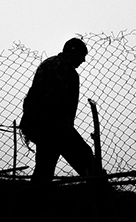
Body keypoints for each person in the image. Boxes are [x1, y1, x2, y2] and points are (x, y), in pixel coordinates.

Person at [20, 37, 100, 188]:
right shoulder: (65, 69)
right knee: (86, 160)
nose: (83, 60)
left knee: (44, 168)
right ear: (73, 52)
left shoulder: (47, 64)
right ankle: (103, 195)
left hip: (40, 126)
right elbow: (58, 101)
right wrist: (63, 127)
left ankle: (33, 204)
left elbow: (34, 95)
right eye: (83, 55)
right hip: (56, 127)